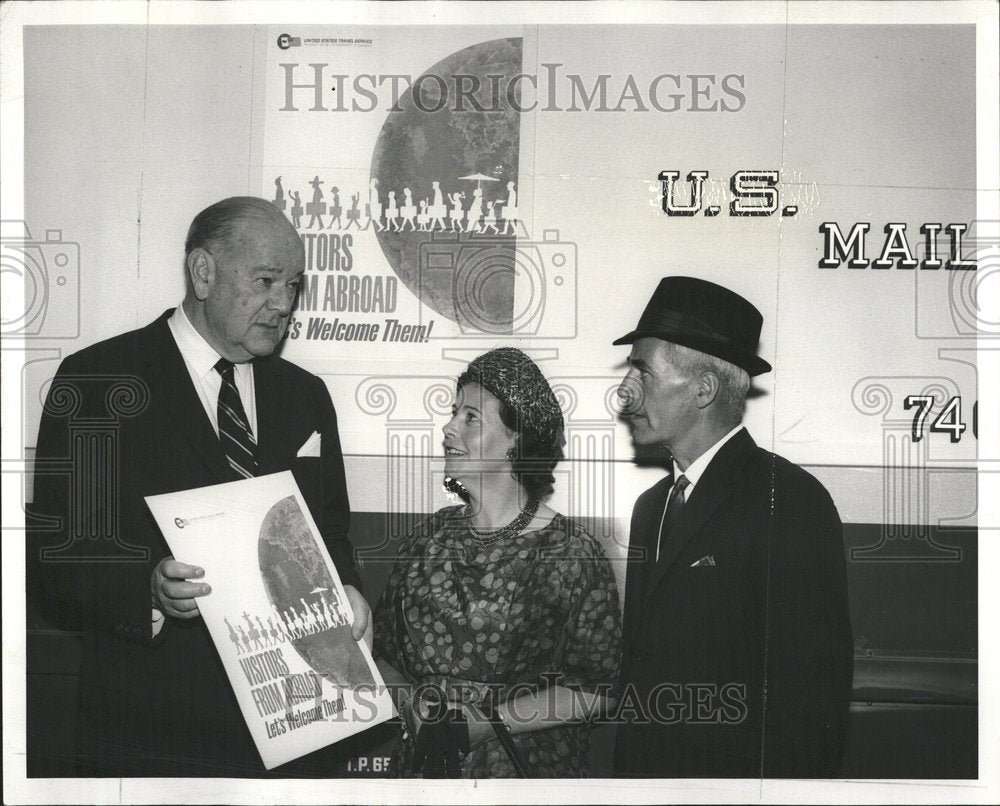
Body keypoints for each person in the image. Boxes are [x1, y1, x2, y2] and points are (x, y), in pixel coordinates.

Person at [29, 196, 371, 777]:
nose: (283, 304)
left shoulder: (306, 395)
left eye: (292, 286)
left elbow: (330, 533)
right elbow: (57, 556)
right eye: (266, 281)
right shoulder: (97, 380)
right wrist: (147, 592)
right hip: (149, 729)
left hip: (298, 729)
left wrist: (347, 592)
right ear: (204, 272)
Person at [611, 276, 853, 778]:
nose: (624, 393)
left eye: (643, 373)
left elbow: (812, 709)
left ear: (704, 389)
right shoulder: (649, 507)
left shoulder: (790, 501)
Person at [374, 348, 621, 778]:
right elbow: (381, 656)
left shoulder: (570, 552)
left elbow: (599, 690)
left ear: (515, 439)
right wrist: (412, 705)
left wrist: (490, 724)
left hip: (522, 772)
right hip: (424, 772)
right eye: (454, 414)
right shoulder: (425, 540)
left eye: (471, 417)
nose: (449, 428)